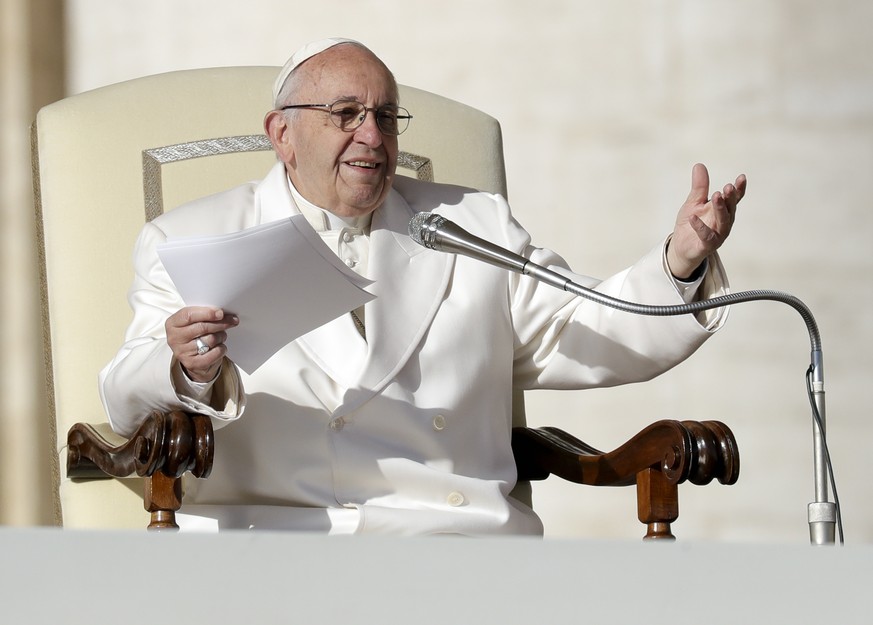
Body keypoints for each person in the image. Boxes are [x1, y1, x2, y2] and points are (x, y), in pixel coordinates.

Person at [99, 38, 746, 535]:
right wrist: (183, 366)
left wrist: (680, 261)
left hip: (461, 546)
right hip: (279, 549)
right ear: (281, 135)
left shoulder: (469, 225)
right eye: (345, 114)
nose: (372, 137)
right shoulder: (191, 238)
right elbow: (124, 397)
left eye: (384, 116)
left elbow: (595, 328)